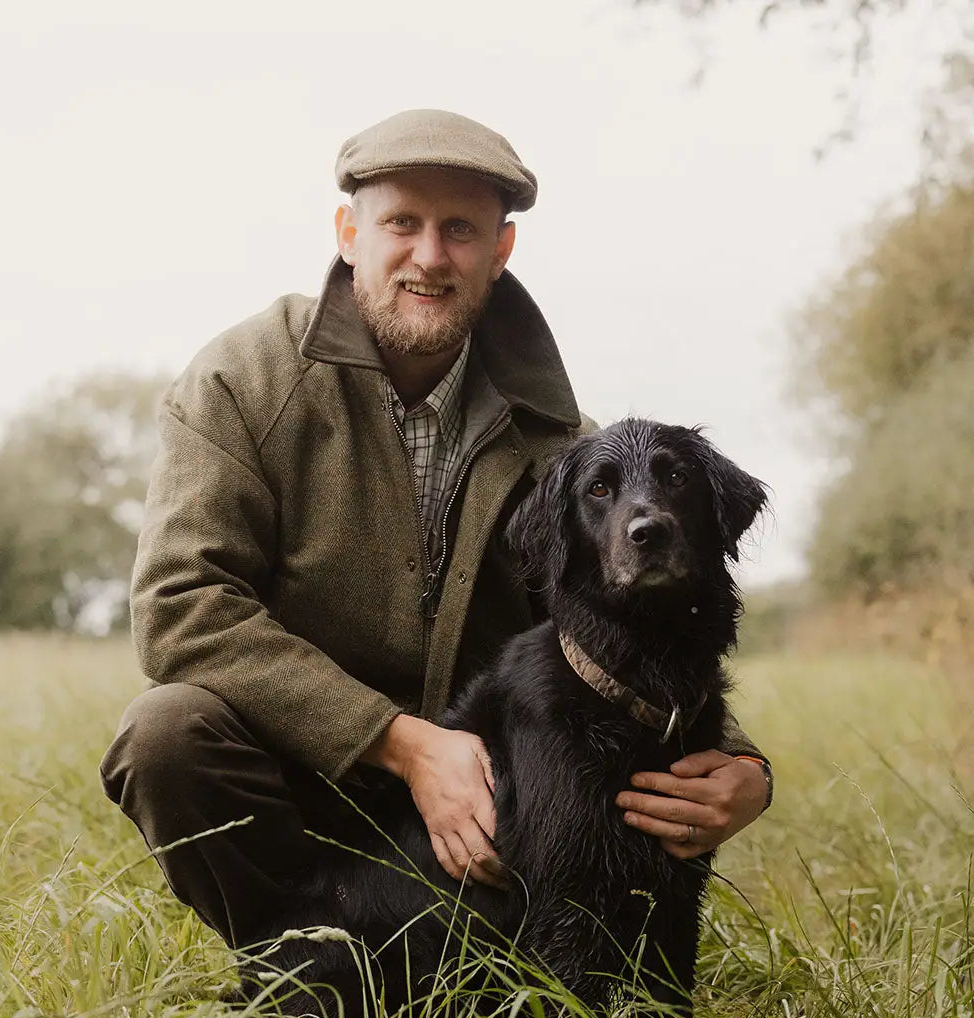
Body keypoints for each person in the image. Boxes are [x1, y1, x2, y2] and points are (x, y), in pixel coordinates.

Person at [100, 108, 771, 962]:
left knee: (525, 953)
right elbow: (179, 607)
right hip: (305, 768)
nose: (429, 255)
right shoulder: (241, 380)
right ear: (350, 234)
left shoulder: (567, 448)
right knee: (166, 735)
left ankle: (450, 978)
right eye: (401, 223)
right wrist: (403, 745)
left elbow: (639, 628)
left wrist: (745, 771)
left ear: (502, 251)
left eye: (460, 229)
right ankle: (293, 978)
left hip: (495, 804)